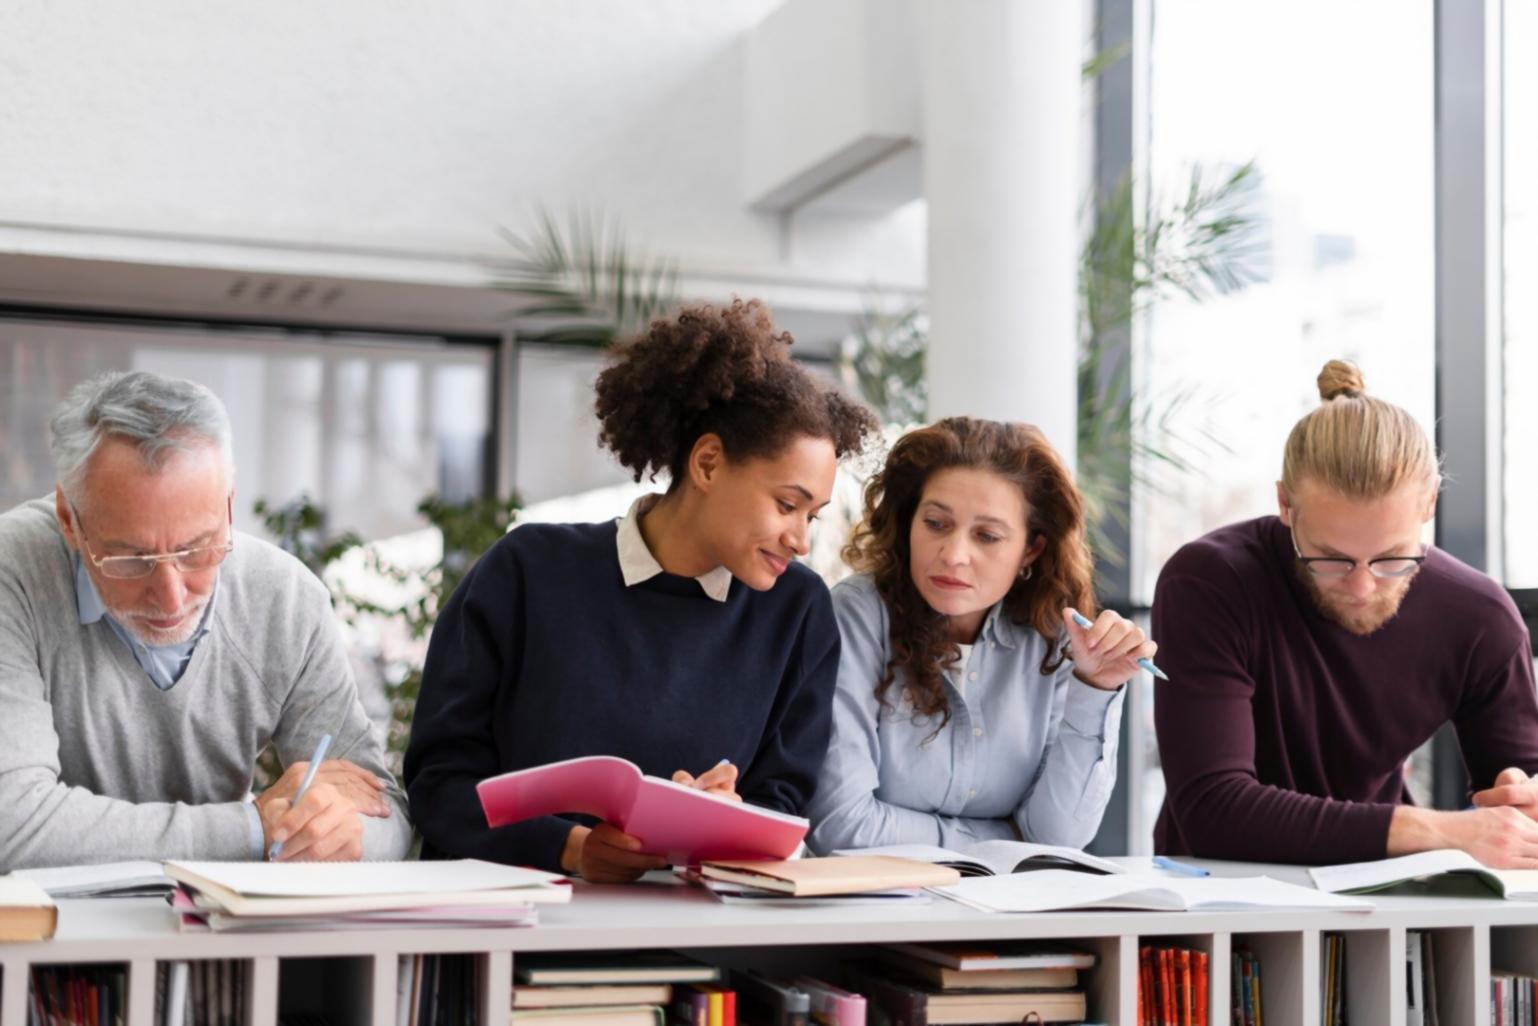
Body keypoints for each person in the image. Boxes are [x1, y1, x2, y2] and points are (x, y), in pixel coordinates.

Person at [404, 299, 878, 882]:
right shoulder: (527, 571)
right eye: (787, 505)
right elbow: (438, 783)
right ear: (707, 464)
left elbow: (783, 805)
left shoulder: (798, 610)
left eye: (814, 515)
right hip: (518, 923)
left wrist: (729, 820)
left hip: (700, 936)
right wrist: (571, 846)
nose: (800, 540)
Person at [0, 371, 411, 870]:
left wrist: (342, 833)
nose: (170, 596)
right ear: (69, 519)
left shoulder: (285, 598)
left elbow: (385, 816)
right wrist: (254, 827)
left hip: (221, 930)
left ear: (229, 505)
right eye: (130, 559)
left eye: (197, 548)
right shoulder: (13, 573)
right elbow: (14, 825)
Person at [1153, 359, 1538, 865]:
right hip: (1216, 904)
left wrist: (1523, 800)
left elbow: (1521, 805)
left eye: (1392, 558)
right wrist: (1445, 830)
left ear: (1429, 506)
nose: (1361, 586)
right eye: (1330, 558)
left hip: (1382, 900)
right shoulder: (1210, 582)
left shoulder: (1480, 617)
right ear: (1286, 505)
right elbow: (1214, 811)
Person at [807, 417, 1153, 853]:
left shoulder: (1056, 637)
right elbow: (841, 827)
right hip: (876, 910)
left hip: (1006, 916)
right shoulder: (856, 614)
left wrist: (1096, 687)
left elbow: (1059, 838)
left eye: (987, 536)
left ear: (1031, 549)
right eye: (935, 524)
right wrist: (1004, 839)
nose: (953, 555)